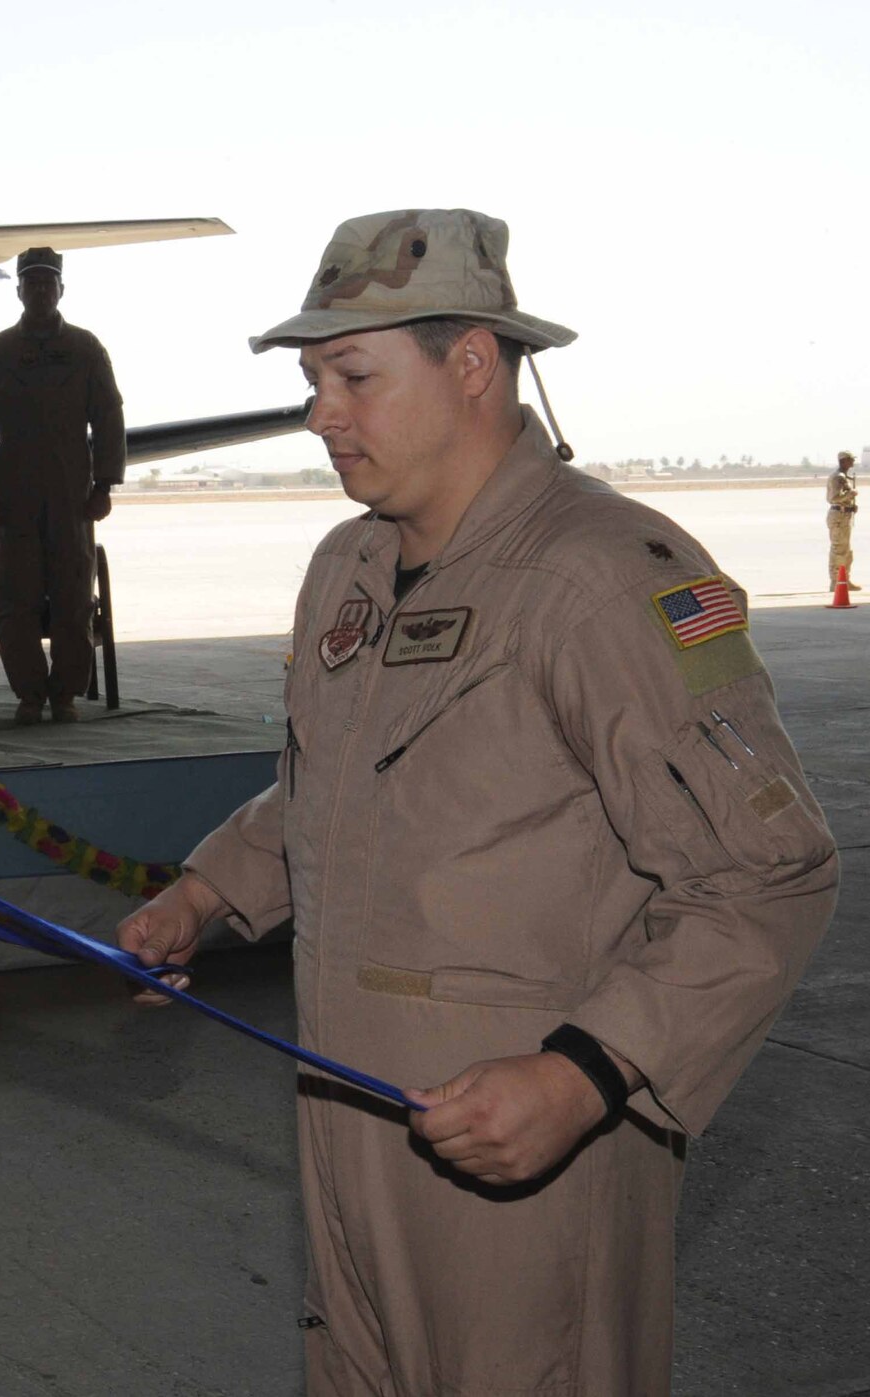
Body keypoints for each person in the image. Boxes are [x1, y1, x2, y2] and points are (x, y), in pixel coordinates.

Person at [117, 208, 837, 1395]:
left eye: (351, 376)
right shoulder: (346, 569)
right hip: (348, 1113)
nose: (319, 413)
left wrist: (581, 1074)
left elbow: (765, 874)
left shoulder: (600, 577)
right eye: (310, 381)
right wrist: (204, 894)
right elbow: (335, 782)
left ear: (468, 364)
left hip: (526, 1147)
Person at [0, 246, 125, 725]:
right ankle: (30, 694)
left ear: (60, 289)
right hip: (13, 495)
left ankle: (66, 694)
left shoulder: (86, 349)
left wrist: (105, 484)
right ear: (18, 291)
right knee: (15, 601)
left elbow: (109, 417)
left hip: (71, 494)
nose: (38, 290)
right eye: (30, 282)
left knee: (74, 599)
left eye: (46, 282)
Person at [828, 449, 857, 589]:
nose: (853, 461)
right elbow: (834, 498)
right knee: (839, 550)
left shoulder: (843, 476)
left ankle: (844, 581)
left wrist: (851, 506)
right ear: (843, 461)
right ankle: (836, 582)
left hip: (844, 515)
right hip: (839, 516)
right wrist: (850, 495)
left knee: (846, 551)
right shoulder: (838, 477)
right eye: (850, 459)